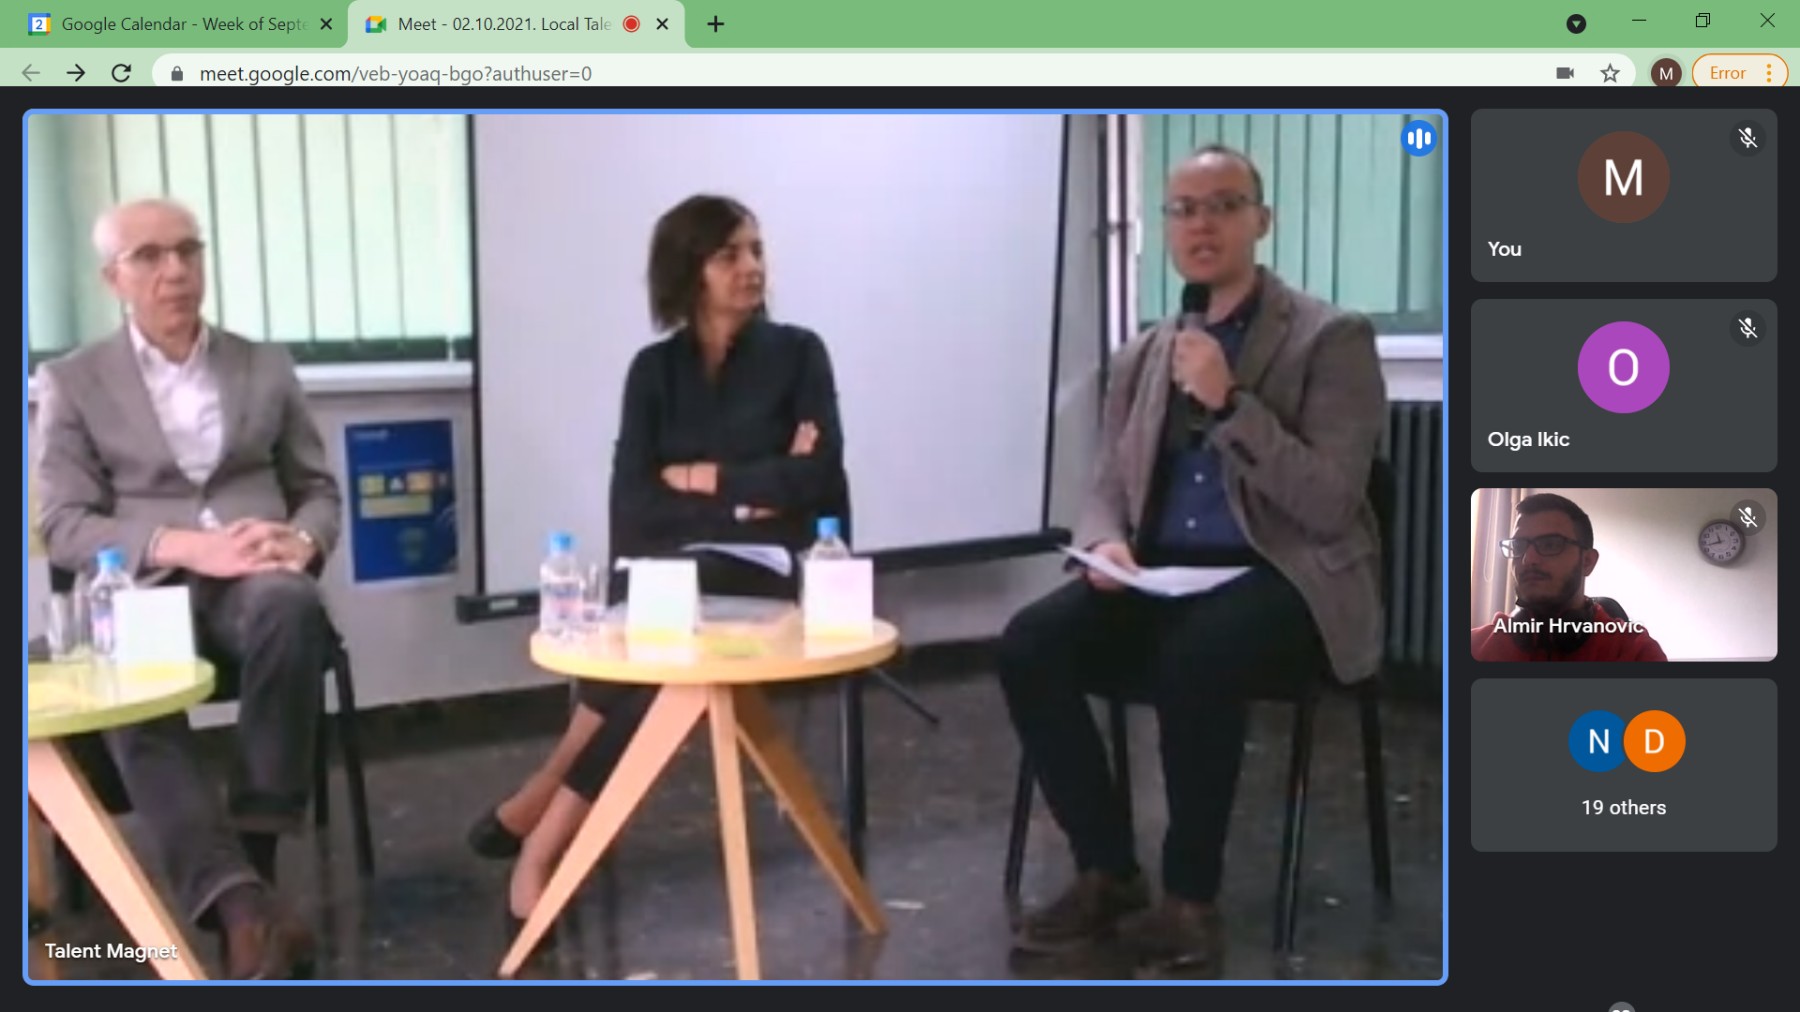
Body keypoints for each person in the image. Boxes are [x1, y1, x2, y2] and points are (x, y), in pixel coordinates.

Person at [996, 145, 1387, 975]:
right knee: (1031, 641)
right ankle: (1109, 870)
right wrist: (1106, 539)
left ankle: (1189, 902)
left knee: (1197, 654)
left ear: (1261, 221)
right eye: (1183, 210)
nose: (1201, 224)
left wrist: (1230, 402)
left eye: (1223, 205)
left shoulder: (1331, 338)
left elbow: (1328, 503)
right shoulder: (1147, 350)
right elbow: (1108, 482)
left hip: (1284, 573)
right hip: (1164, 571)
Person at [471, 194, 849, 941]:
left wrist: (700, 480)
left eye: (756, 250)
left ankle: (542, 838)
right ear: (689, 270)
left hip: (762, 571)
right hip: (667, 567)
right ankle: (545, 818)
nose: (752, 267)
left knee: (658, 660)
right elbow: (635, 502)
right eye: (729, 254)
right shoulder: (653, 371)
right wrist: (751, 490)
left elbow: (817, 480)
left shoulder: (800, 353)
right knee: (656, 643)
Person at [34, 198, 340, 978]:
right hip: (143, 585)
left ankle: (256, 861)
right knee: (124, 660)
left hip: (252, 583)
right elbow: (63, 522)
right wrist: (185, 545)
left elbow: (316, 490)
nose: (174, 271)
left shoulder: (264, 365)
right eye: (148, 256)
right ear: (113, 278)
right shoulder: (72, 380)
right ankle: (239, 908)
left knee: (290, 603)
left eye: (187, 251)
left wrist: (301, 541)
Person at [1470, 493, 1668, 662]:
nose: (1527, 559)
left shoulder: (1636, 652)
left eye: (1550, 544)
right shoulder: (1475, 647)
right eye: (1519, 545)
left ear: (1587, 562)